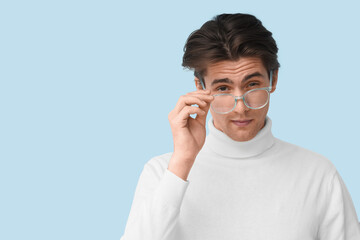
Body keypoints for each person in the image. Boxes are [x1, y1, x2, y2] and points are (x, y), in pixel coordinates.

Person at [120, 13, 360, 240]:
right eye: (223, 88)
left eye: (252, 84)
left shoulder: (318, 174)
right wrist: (183, 161)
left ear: (273, 80)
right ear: (200, 87)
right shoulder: (163, 173)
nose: (240, 107)